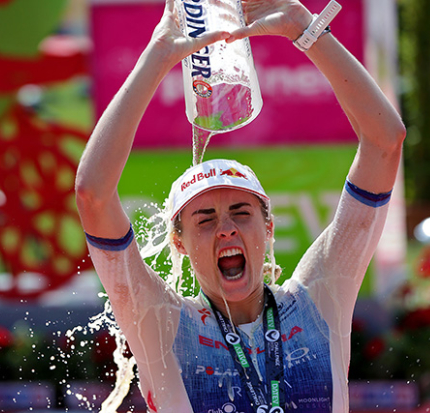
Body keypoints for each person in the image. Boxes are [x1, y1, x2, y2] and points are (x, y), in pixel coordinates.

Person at [75, 0, 406, 411]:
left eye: (241, 212)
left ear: (268, 228)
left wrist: (304, 28)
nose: (226, 228)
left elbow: (385, 142)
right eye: (205, 219)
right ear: (179, 243)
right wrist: (158, 54)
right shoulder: (161, 322)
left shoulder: (320, 298)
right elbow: (93, 194)